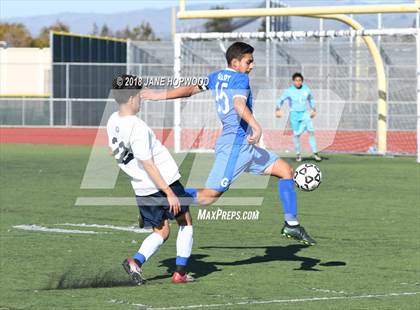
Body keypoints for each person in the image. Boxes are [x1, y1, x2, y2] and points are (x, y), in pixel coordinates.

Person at [141, 42, 316, 246]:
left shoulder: (216, 77)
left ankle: (291, 224)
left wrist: (157, 95)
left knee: (285, 170)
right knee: (208, 197)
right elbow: (238, 104)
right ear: (235, 62)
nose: (252, 66)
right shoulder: (240, 78)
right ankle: (159, 200)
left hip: (246, 146)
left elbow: (189, 89)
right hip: (235, 147)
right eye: (248, 62)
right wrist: (256, 126)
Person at [107, 75, 194, 285]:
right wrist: (169, 192)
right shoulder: (136, 125)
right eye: (139, 95)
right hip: (163, 181)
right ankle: (180, 273)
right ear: (131, 98)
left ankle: (135, 262)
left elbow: (114, 150)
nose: (141, 99)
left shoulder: (112, 120)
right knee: (186, 222)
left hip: (141, 187)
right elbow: (148, 163)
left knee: (162, 230)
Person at [275, 73, 322, 162]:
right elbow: (281, 99)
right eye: (296, 80)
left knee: (311, 131)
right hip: (294, 115)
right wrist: (278, 108)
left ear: (302, 81)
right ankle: (298, 154)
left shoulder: (306, 89)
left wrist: (313, 108)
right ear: (293, 81)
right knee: (296, 135)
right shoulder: (289, 91)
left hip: (305, 114)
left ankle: (315, 153)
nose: (298, 82)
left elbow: (311, 98)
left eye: (300, 80)